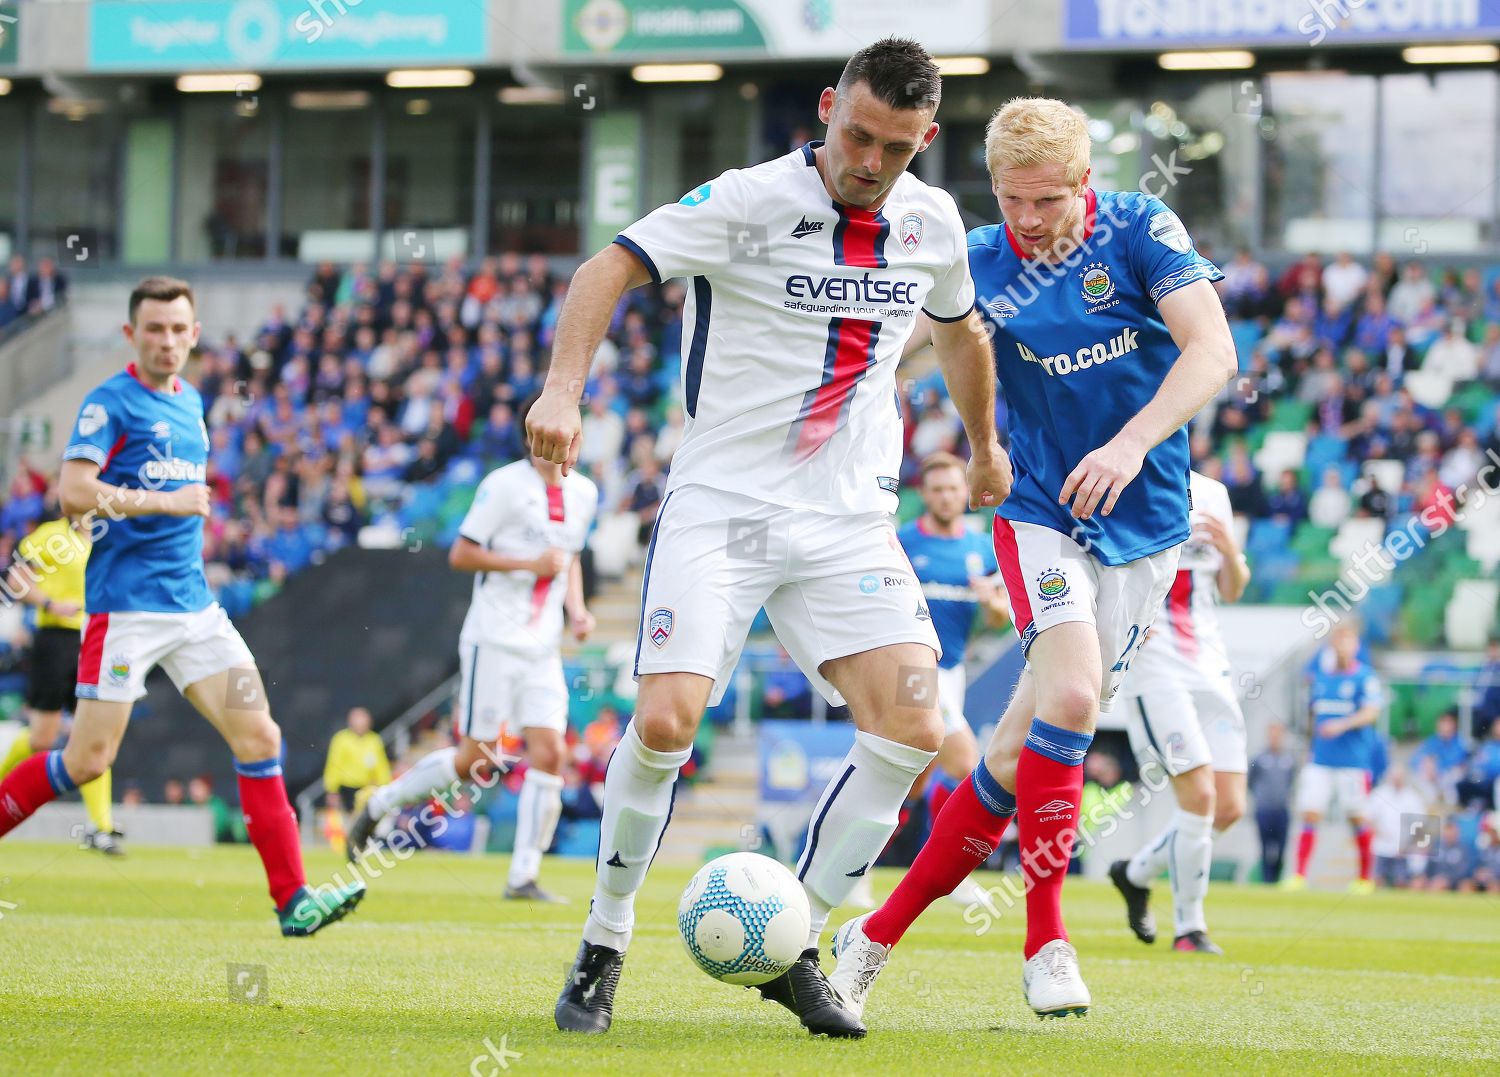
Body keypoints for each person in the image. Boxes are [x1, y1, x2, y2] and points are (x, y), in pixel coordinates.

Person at [529, 39, 1007, 1038]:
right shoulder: (747, 201)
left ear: (926, 141)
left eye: (897, 147)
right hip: (723, 508)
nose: (870, 162)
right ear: (829, 110)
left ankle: (794, 944)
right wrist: (562, 391)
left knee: (916, 725)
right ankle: (603, 944)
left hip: (846, 521)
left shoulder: (932, 223)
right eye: (858, 137)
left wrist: (985, 443)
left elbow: (960, 333)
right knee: (664, 726)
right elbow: (603, 269)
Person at [828, 95, 1236, 1022]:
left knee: (1016, 750)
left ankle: (873, 936)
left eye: (1045, 202)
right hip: (1038, 508)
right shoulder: (977, 260)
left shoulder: (1141, 229)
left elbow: (1213, 352)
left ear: (1086, 183)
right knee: (1072, 701)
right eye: (1010, 200)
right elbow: (900, 359)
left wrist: (1131, 444)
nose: (1026, 221)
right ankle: (1046, 935)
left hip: (1147, 520)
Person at [0, 276, 364, 936]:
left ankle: (293, 900)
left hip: (196, 611)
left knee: (262, 734)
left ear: (195, 335)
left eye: (177, 329)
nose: (167, 340)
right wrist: (162, 501)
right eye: (154, 329)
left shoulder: (191, 400)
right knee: (86, 761)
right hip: (125, 611)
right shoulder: (108, 404)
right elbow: (74, 491)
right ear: (131, 335)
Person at [348, 409, 598, 904]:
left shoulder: (585, 494)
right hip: (494, 638)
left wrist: (579, 610)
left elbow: (566, 560)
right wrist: (528, 562)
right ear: (539, 434)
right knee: (476, 759)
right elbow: (461, 553)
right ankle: (382, 802)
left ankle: (522, 877)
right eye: (566, 433)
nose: (573, 444)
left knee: (552, 753)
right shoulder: (504, 486)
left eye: (578, 435)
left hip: (542, 645)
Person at [1108, 468, 1252, 956]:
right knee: (1200, 796)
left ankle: (1134, 873)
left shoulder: (1214, 492)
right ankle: (1190, 928)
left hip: (1211, 664)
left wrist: (1230, 550)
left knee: (1229, 807)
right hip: (1155, 666)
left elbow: (1233, 587)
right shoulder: (1124, 477)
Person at [896, 451, 1009, 908]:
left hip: (954, 671)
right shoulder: (902, 543)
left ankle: (856, 863)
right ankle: (953, 872)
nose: (946, 496)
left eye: (953, 488)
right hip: (912, 671)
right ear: (924, 494)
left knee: (912, 784)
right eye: (937, 488)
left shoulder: (982, 550)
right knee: (969, 767)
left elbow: (1001, 620)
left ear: (966, 492)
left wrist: (993, 604)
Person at [0, 512, 122, 854]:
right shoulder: (49, 536)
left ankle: (103, 827)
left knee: (94, 734)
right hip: (56, 639)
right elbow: (15, 581)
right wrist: (50, 603)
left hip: (95, 638)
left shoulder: (104, 535)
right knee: (43, 737)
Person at [1284, 623, 1382, 893]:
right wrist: (1310, 746)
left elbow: (1372, 712)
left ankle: (1365, 878)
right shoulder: (1322, 679)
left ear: (1356, 646)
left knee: (1357, 817)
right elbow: (1313, 715)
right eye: (1337, 641)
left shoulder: (1365, 677)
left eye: (1347, 641)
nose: (1341, 646)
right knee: (1310, 813)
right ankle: (1299, 875)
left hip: (1353, 763)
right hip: (1320, 761)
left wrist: (1342, 724)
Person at [323, 706, 391, 836]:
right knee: (351, 818)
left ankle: (363, 840)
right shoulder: (341, 739)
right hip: (347, 787)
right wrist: (332, 789)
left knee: (367, 817)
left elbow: (381, 766)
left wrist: (385, 785)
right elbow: (333, 764)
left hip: (366, 787)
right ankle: (352, 841)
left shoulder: (374, 740)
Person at [1247, 721, 1297, 884]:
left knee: (1282, 848)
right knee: (1265, 848)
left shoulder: (1289, 759)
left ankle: (1277, 879)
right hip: (1263, 810)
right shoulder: (1259, 758)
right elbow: (1250, 781)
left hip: (1282, 810)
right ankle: (1266, 880)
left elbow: (1291, 781)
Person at [1367, 767, 1429, 889]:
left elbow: (1420, 822)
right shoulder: (1380, 793)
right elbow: (1369, 817)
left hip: (1403, 848)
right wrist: (1379, 832)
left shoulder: (1412, 796)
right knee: (1378, 877)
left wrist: (1409, 843)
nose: (1396, 780)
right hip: (1382, 845)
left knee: (1401, 880)